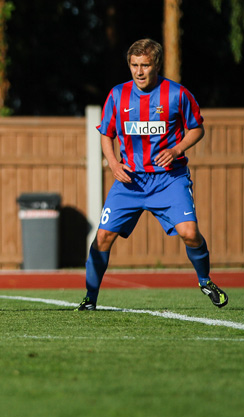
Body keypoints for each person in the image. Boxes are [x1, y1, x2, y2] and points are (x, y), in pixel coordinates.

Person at [77, 38, 228, 311]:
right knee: (102, 238)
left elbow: (197, 128)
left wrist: (177, 148)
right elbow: (105, 132)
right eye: (134, 65)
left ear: (156, 64)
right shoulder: (117, 95)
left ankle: (205, 280)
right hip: (130, 181)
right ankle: (90, 298)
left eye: (145, 65)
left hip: (169, 179)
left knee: (190, 233)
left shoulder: (177, 94)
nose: (139, 71)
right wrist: (112, 162)